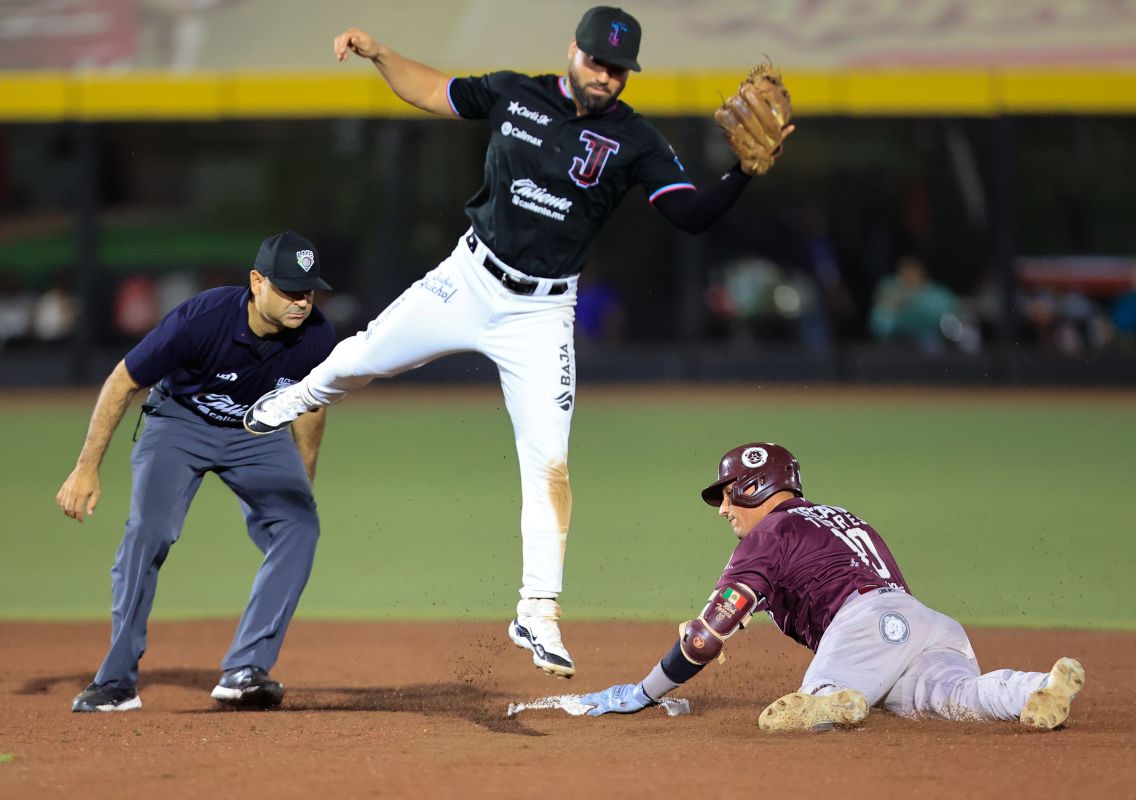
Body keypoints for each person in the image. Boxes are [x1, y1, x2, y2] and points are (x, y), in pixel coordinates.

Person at [243, 6, 793, 679]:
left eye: (618, 69)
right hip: (469, 278)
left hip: (541, 314)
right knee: (360, 358)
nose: (606, 77)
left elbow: (689, 215)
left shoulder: (636, 140)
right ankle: (285, 399)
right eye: (597, 62)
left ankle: (538, 610)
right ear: (573, 52)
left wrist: (739, 176)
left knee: (549, 464)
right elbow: (433, 91)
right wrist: (380, 53)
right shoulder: (515, 92)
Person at [579, 443, 1086, 731]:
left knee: (804, 713)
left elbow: (704, 640)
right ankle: (1035, 688)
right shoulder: (839, 516)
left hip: (863, 625)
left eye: (729, 495)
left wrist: (646, 691)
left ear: (756, 488)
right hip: (922, 623)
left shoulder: (768, 533)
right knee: (955, 695)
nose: (724, 509)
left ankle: (832, 697)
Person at [56, 231, 338, 712]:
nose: (301, 300)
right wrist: (86, 468)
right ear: (256, 282)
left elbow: (311, 406)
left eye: (308, 289)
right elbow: (123, 381)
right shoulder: (202, 319)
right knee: (148, 531)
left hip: (257, 430)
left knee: (300, 525)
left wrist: (301, 482)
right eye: (289, 289)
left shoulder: (316, 336)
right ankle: (116, 681)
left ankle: (245, 668)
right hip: (180, 422)